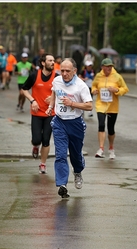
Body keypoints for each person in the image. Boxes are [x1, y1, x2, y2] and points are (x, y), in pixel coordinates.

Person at [45, 58, 93, 198]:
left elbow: (89, 106)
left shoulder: (81, 86)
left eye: (67, 71)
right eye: (62, 71)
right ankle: (62, 184)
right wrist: (50, 107)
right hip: (59, 122)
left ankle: (77, 172)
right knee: (60, 154)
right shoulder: (57, 80)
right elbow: (54, 92)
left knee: (75, 155)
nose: (64, 74)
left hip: (75, 123)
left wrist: (72, 103)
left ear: (74, 71)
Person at [22, 53, 58, 174]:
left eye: (53, 60)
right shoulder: (34, 75)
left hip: (50, 113)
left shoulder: (57, 77)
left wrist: (53, 98)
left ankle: (42, 164)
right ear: (43, 63)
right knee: (37, 139)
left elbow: (63, 92)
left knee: (46, 140)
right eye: (50, 60)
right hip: (36, 113)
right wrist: (32, 101)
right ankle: (36, 146)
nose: (53, 62)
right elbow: (24, 89)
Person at [91, 58, 129, 159]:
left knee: (111, 128)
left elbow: (125, 89)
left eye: (110, 66)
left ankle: (111, 148)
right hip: (101, 105)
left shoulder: (117, 76)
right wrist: (94, 90)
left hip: (113, 106)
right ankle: (101, 149)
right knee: (101, 125)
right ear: (102, 67)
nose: (109, 68)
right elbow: (94, 85)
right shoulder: (99, 76)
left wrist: (116, 90)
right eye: (107, 66)